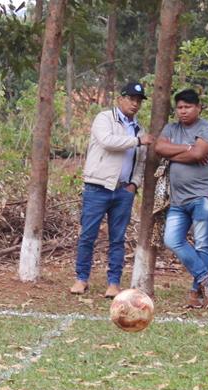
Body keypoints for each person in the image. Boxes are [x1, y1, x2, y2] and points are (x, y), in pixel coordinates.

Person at [70, 81, 154, 298]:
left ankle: (114, 283)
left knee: (118, 238)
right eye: (131, 99)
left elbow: (141, 162)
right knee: (88, 235)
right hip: (98, 186)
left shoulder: (139, 129)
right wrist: (137, 141)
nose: (135, 104)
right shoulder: (105, 118)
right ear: (120, 99)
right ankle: (81, 278)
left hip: (123, 191)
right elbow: (108, 142)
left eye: (138, 101)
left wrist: (134, 184)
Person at [155, 89, 208, 309]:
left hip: (203, 196)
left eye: (188, 107)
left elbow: (198, 154)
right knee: (172, 240)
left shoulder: (206, 128)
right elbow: (159, 148)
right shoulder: (171, 128)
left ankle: (197, 292)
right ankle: (207, 279)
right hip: (178, 201)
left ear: (198, 107)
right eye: (180, 107)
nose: (183, 111)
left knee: (202, 242)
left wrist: (175, 155)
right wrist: (186, 147)